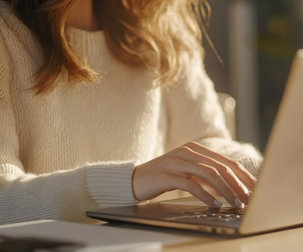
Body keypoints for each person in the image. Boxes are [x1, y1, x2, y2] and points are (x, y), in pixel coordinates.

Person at [0, 0, 263, 224]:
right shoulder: (7, 35)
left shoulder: (160, 24)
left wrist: (271, 171)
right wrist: (130, 181)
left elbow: (207, 144)